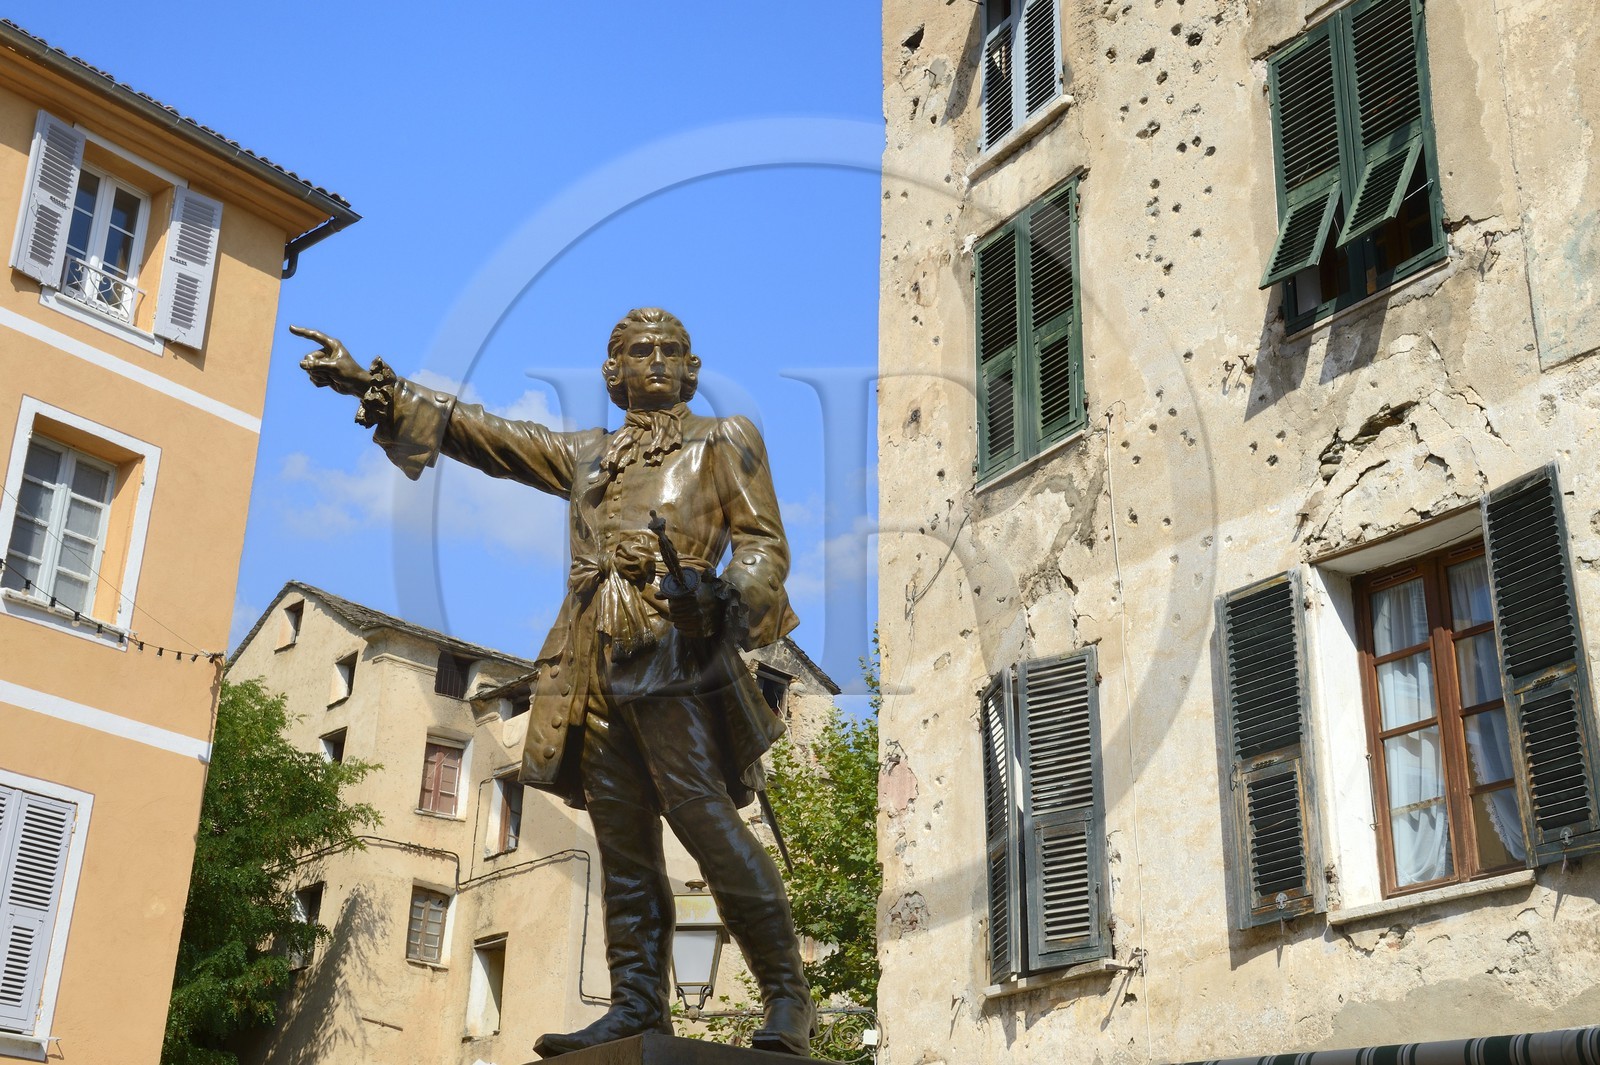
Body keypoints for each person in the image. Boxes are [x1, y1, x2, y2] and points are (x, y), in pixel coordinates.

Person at [294, 309, 814, 1058]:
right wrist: (373, 385)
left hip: (674, 655)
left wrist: (719, 594)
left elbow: (765, 549)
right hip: (588, 666)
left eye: (671, 351)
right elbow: (489, 437)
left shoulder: (723, 439)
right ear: (613, 374)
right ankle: (637, 1000)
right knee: (623, 846)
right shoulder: (588, 454)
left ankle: (786, 996)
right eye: (640, 351)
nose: (657, 362)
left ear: (692, 370)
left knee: (709, 826)